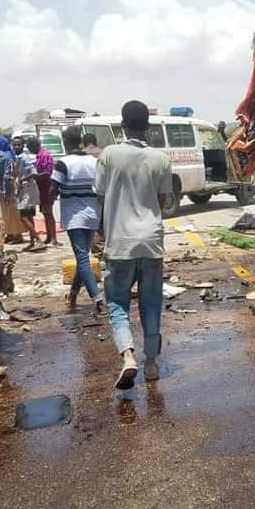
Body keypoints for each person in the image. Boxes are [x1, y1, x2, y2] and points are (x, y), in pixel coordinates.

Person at [96, 100, 173, 389]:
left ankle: (128, 356)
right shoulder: (160, 159)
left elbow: (101, 197)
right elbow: (162, 201)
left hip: (120, 242)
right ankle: (151, 363)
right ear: (148, 127)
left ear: (123, 125)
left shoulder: (109, 155)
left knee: (117, 302)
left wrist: (100, 232)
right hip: (151, 241)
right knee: (151, 304)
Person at [52, 126, 105, 314]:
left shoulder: (63, 163)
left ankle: (98, 299)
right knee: (82, 257)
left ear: (65, 142)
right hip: (93, 214)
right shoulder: (95, 162)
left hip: (74, 216)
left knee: (82, 259)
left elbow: (53, 189)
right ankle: (73, 295)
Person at [13, 137, 44, 251]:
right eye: (15, 145)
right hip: (24, 189)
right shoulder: (18, 158)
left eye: (19, 144)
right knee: (29, 216)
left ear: (23, 146)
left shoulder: (25, 158)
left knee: (24, 216)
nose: (16, 147)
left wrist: (22, 179)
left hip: (28, 189)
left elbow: (34, 173)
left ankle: (38, 240)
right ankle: (32, 242)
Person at [28, 138, 60, 247]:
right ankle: (49, 236)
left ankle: (54, 238)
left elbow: (47, 173)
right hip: (41, 188)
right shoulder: (39, 156)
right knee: (45, 213)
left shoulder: (44, 156)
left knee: (49, 212)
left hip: (47, 187)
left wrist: (35, 176)